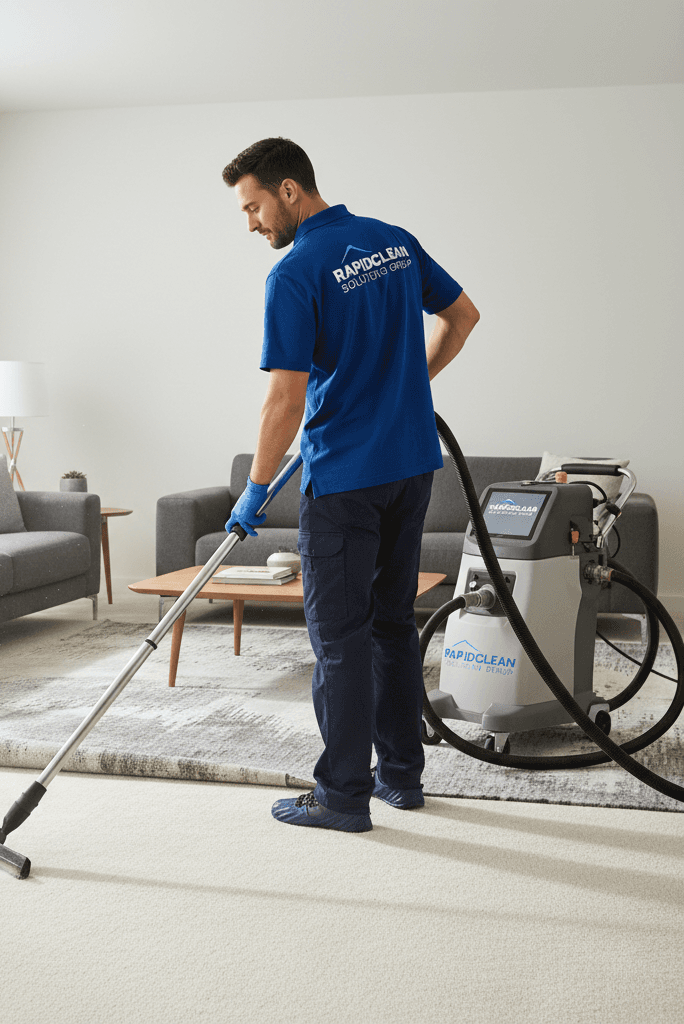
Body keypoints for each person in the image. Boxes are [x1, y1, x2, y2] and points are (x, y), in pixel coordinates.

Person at [222, 137, 479, 832]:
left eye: (253, 208)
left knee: (340, 639)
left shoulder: (297, 271)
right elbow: (464, 317)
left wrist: (254, 489)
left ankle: (341, 795)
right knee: (393, 627)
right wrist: (408, 387)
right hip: (411, 468)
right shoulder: (393, 243)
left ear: (289, 191)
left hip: (343, 481)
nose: (251, 224)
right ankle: (402, 778)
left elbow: (285, 398)